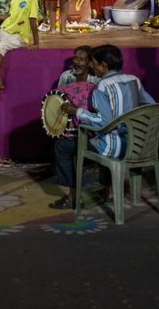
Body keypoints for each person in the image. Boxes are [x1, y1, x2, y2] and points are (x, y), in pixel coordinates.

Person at [61, 44, 154, 161]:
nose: (91, 66)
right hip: (138, 146)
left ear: (103, 66)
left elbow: (104, 122)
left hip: (112, 148)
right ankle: (110, 177)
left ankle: (97, 176)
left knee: (62, 146)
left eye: (93, 63)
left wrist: (77, 111)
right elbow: (152, 107)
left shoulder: (102, 86)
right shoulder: (134, 80)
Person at [48, 45, 98, 210]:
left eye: (82, 59)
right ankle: (73, 193)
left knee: (63, 147)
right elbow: (56, 100)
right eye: (75, 58)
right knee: (60, 144)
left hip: (92, 130)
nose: (76, 62)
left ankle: (105, 190)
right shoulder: (66, 76)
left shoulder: (97, 80)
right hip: (70, 128)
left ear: (91, 63)